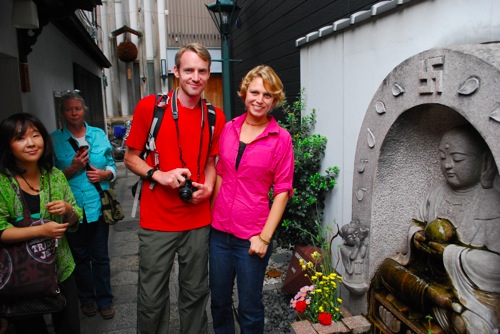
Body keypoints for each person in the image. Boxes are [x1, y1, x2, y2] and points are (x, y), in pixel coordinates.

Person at [124, 43, 225, 334]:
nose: (196, 77)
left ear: (208, 74)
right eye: (189, 70)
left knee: (195, 294)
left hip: (197, 219)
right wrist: (159, 175)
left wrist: (207, 185)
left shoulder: (215, 116)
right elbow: (131, 158)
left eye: (202, 71)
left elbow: (210, 162)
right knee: (152, 297)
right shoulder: (150, 107)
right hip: (157, 220)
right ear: (176, 72)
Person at [379, 124, 500, 333]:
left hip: (468, 291)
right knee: (386, 270)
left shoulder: (491, 203)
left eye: (457, 159)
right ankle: (437, 301)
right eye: (443, 158)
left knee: (479, 324)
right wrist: (415, 235)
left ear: (484, 161)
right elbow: (417, 223)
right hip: (428, 273)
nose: (448, 165)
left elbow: (496, 267)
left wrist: (451, 254)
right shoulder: (437, 192)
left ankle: (440, 304)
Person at [209, 65, 294, 333]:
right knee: (219, 302)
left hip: (252, 237)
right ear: (244, 94)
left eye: (267, 95)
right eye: (254, 92)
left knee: (249, 307)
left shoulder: (281, 139)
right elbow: (221, 174)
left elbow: (282, 191)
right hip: (220, 234)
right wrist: (213, 217)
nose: (259, 99)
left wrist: (265, 237)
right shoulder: (229, 129)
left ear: (274, 101)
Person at [0, 113, 83, 333]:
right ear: (8, 145)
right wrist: (41, 231)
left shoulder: (55, 175)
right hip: (21, 273)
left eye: (35, 136)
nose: (31, 143)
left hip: (61, 266)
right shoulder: (3, 183)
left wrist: (68, 211)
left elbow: (76, 217)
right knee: (30, 328)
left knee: (70, 327)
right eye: (20, 138)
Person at [51, 91, 117, 320]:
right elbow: (49, 176)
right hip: (71, 210)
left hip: (97, 207)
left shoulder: (98, 135)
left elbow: (111, 164)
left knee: (100, 257)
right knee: (78, 257)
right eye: (68, 109)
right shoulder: (54, 140)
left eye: (77, 108)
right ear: (62, 113)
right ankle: (87, 299)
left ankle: (105, 300)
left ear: (84, 110)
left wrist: (105, 174)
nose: (73, 113)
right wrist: (72, 169)